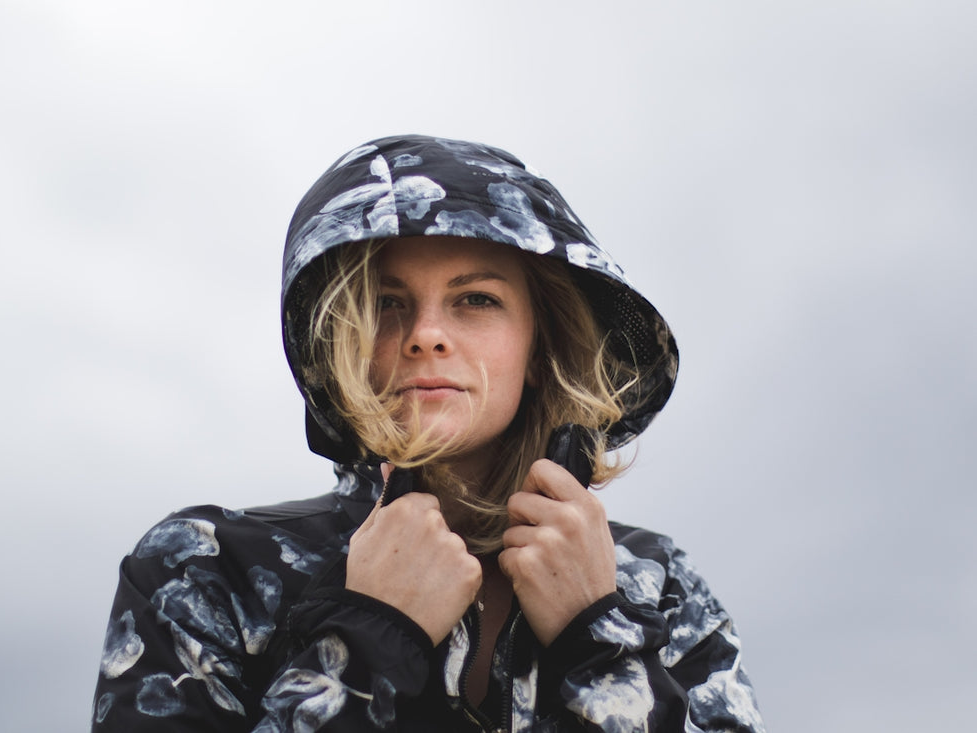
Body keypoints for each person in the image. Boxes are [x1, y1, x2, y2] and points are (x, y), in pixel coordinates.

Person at [91, 135, 766, 732]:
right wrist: (368, 638)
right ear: (340, 345)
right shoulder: (207, 571)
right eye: (386, 303)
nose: (426, 335)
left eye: (476, 299)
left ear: (540, 348)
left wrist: (601, 637)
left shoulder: (657, 587)